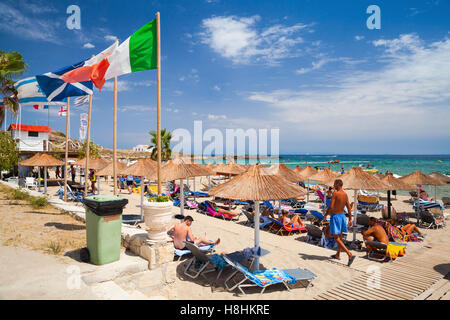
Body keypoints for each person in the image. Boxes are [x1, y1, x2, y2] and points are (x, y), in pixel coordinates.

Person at [323, 179, 355, 266]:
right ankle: (337, 254)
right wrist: (350, 219)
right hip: (342, 217)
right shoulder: (345, 194)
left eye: (334, 183)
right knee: (340, 237)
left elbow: (331, 206)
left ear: (337, 184)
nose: (333, 185)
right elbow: (349, 208)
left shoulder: (335, 193)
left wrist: (325, 215)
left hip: (336, 216)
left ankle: (349, 254)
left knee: (336, 238)